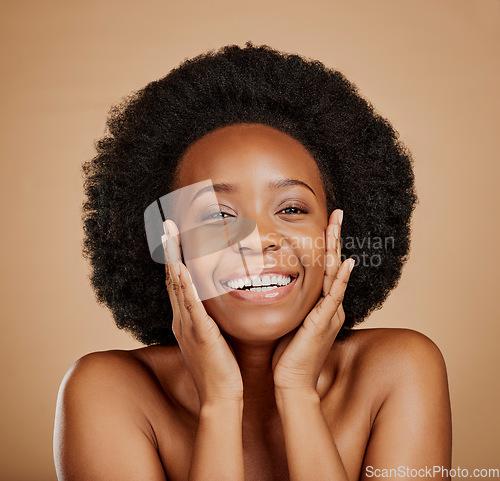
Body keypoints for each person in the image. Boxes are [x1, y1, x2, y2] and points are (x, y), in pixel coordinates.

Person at [53, 41, 452, 481]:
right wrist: (220, 402)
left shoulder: (398, 370)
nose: (259, 241)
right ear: (170, 244)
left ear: (337, 233)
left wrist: (297, 391)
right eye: (217, 216)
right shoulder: (107, 391)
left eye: (292, 209)